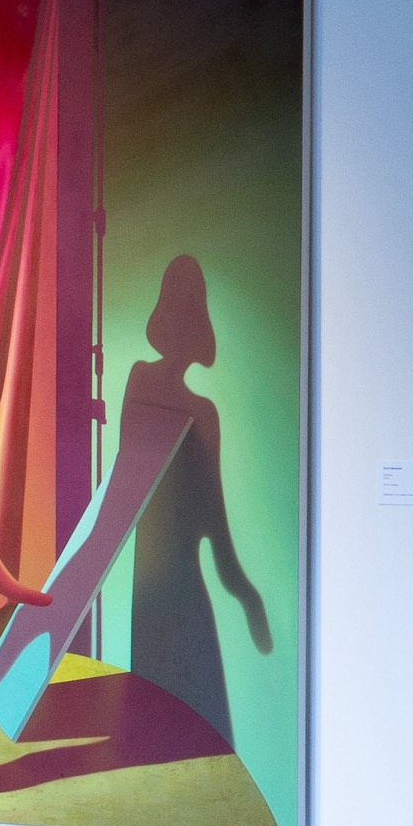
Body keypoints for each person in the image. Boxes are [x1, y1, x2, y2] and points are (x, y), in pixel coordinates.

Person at [125, 255, 273, 736]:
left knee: (167, 734)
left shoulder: (149, 386)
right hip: (173, 599)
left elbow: (217, 535)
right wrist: (248, 599)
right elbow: (221, 545)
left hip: (159, 597)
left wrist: (249, 598)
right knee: (189, 735)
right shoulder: (197, 411)